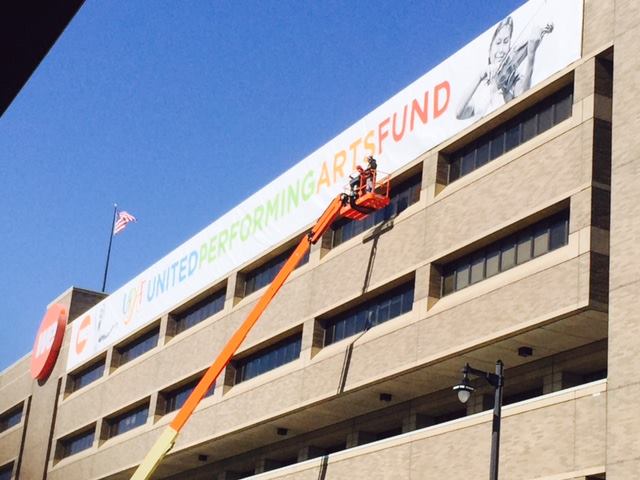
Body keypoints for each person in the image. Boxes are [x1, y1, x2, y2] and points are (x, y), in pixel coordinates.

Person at [456, 16, 553, 120]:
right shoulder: (482, 90)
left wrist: (531, 53)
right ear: (490, 48)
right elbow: (459, 113)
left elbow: (524, 97)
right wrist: (479, 77)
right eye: (498, 43)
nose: (501, 49)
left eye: (506, 42)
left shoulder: (514, 79)